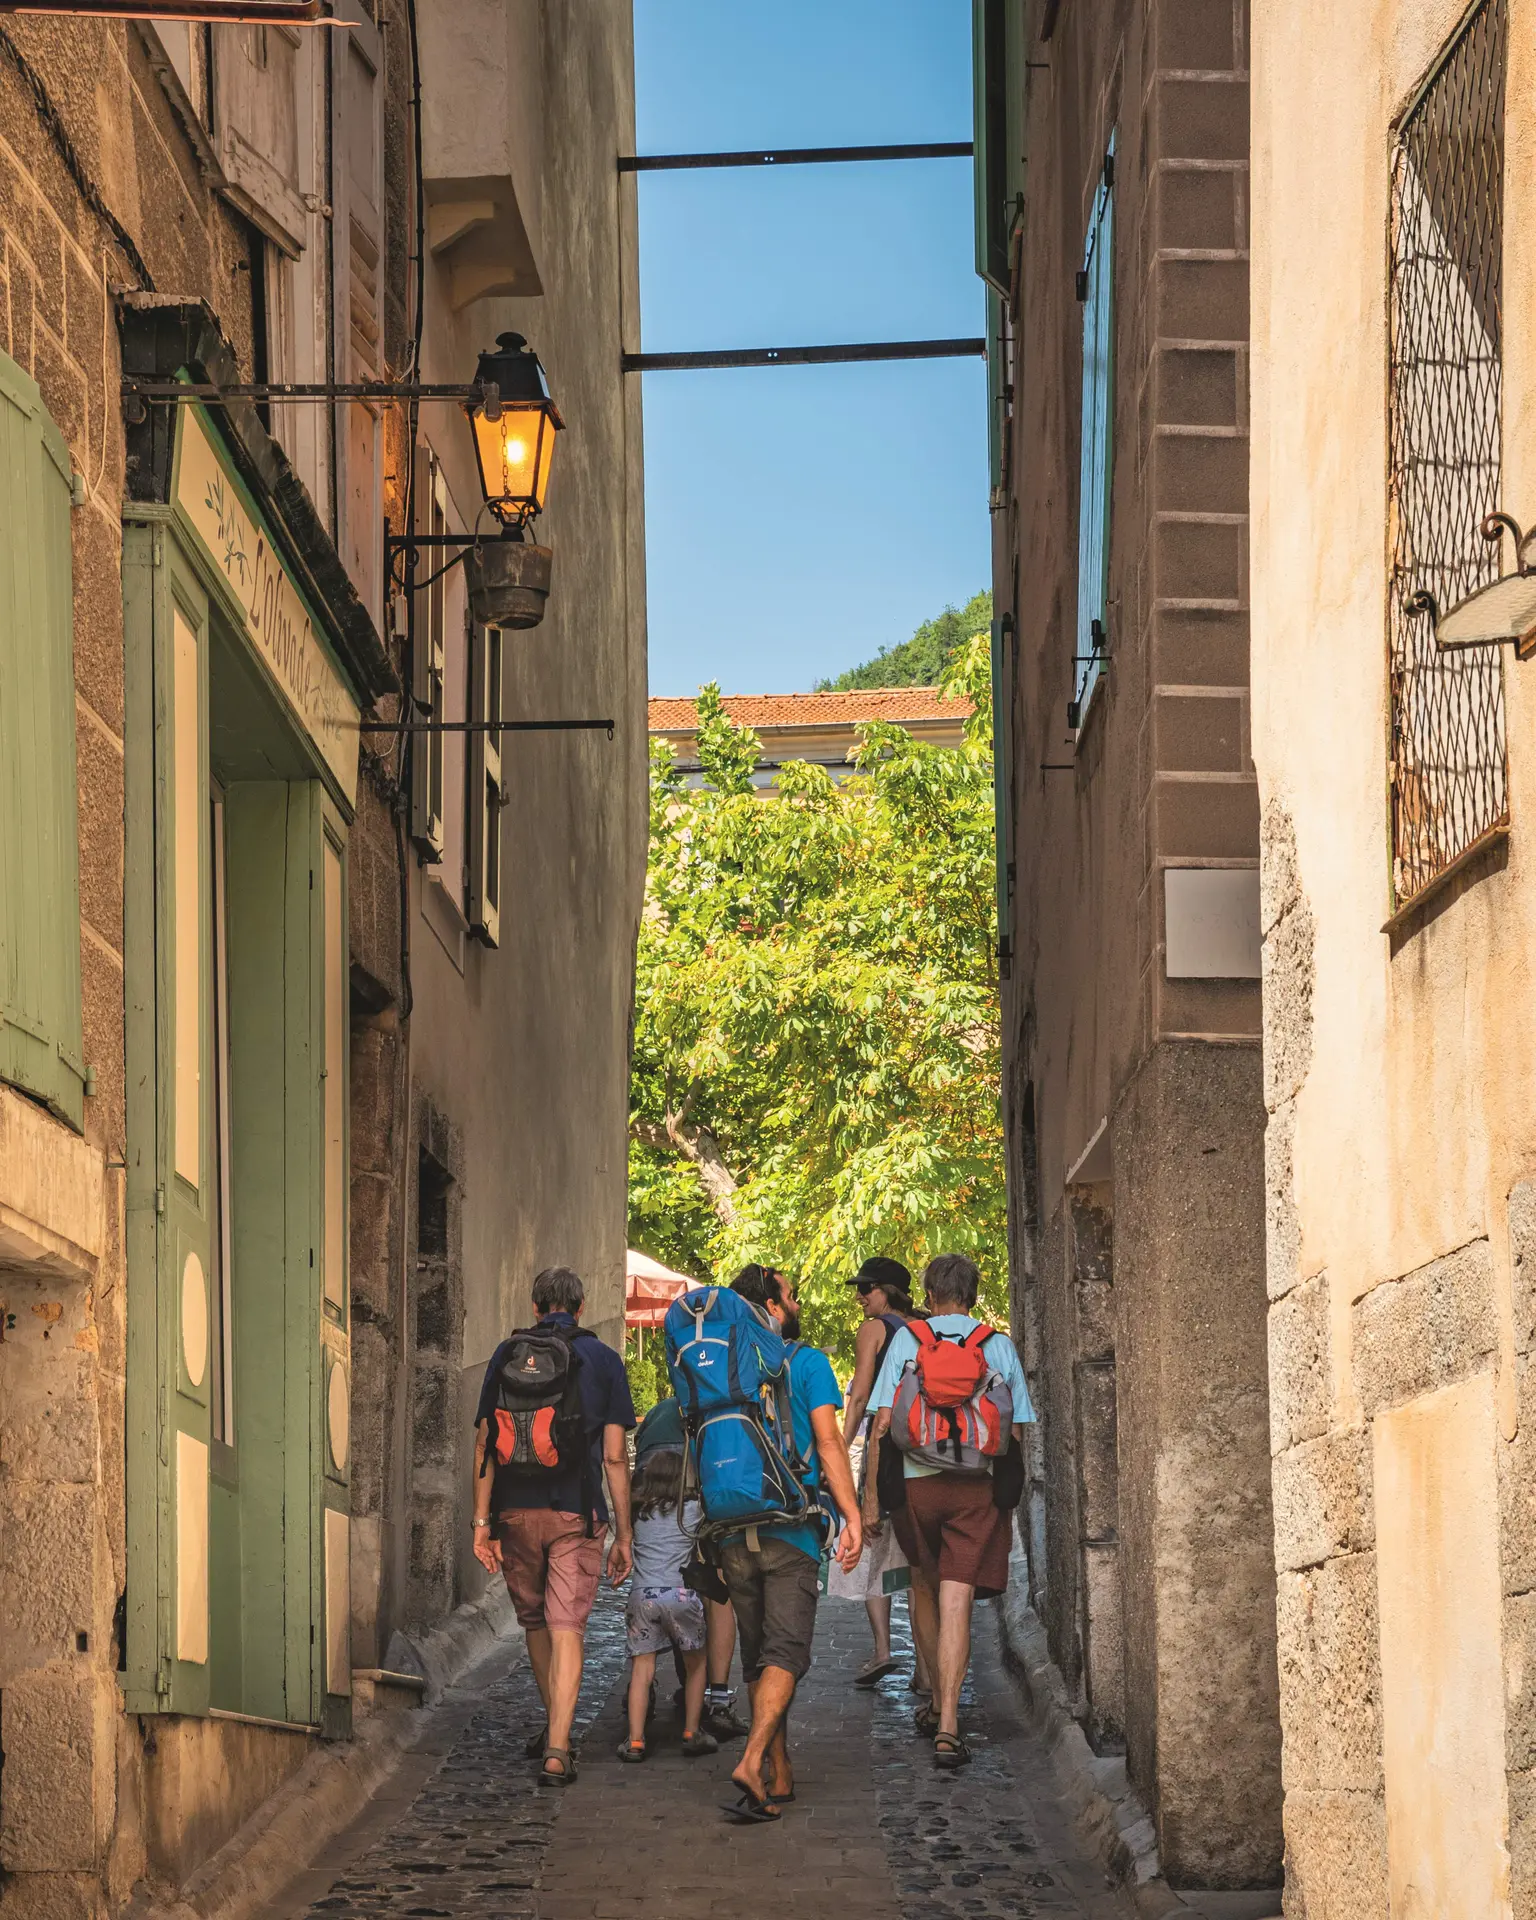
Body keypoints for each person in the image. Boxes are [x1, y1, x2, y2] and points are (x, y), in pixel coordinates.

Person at [865, 1253, 1032, 1771]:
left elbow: (882, 1423)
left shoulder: (907, 1341)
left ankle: (934, 1695)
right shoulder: (997, 1345)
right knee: (958, 1599)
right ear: (974, 1294)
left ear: (929, 1295)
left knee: (924, 1587)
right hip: (975, 1490)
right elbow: (1019, 1429)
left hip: (917, 1488)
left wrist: (870, 1498)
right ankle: (950, 1725)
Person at [471, 1265, 635, 1786]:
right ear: (581, 1307)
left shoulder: (506, 1354)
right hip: (576, 1512)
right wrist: (624, 1533)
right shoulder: (605, 1360)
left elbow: (483, 1445)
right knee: (568, 1628)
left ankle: (551, 1724)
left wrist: (481, 1523)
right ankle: (559, 1747)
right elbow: (614, 1457)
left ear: (535, 1307)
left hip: (515, 1511)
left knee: (536, 1624)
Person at [714, 1264, 863, 1823]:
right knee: (786, 1653)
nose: (797, 1304)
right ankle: (753, 1761)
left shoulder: (722, 1372)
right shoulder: (807, 1363)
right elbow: (827, 1443)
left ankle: (779, 1772)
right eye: (791, 1296)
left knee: (758, 1656)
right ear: (773, 1309)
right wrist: (852, 1516)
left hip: (730, 1533)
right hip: (790, 1528)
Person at [633, 1395, 748, 1738]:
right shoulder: (724, 1402)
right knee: (717, 1585)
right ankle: (715, 1700)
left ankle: (639, 1716)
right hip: (706, 1458)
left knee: (643, 1651)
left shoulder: (660, 1410)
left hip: (651, 1458)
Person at [840, 1256, 923, 1687]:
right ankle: (926, 1668)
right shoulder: (925, 1327)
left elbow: (859, 1397)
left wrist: (838, 1447)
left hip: (885, 1444)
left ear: (887, 1290)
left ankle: (882, 1651)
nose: (859, 1295)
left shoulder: (875, 1329)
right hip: (925, 1450)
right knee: (918, 1559)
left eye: (866, 1287)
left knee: (871, 1542)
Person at [618, 1446, 719, 1762]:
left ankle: (635, 1740)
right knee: (697, 1664)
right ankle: (691, 1731)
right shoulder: (692, 1511)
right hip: (682, 1596)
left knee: (642, 1670)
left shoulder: (637, 1514)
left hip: (642, 1597)